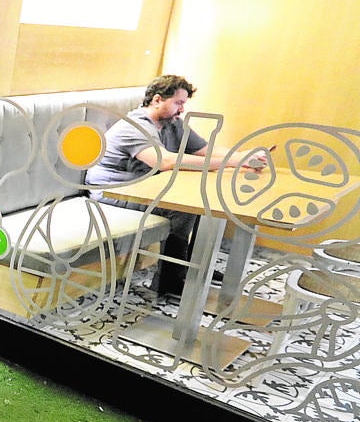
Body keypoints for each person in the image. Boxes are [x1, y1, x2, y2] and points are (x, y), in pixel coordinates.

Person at [84, 74, 266, 298]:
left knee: (204, 203)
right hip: (112, 192)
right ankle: (170, 281)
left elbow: (204, 149)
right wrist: (233, 161)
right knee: (182, 210)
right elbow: (165, 161)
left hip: (143, 188)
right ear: (157, 99)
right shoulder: (134, 127)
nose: (182, 109)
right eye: (178, 103)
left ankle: (192, 266)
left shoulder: (172, 123)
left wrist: (244, 155)